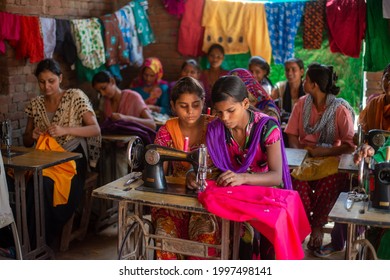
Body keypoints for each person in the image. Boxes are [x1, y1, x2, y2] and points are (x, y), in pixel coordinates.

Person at [190, 75, 309, 260]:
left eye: (230, 111)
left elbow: (276, 176)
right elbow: (209, 166)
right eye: (219, 112)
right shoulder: (216, 129)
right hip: (235, 191)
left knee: (261, 237)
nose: (225, 118)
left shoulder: (266, 128)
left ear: (245, 103)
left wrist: (243, 177)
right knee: (214, 225)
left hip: (264, 191)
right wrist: (193, 174)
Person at [23, 58, 101, 245]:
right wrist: (33, 136)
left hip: (72, 161)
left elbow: (95, 129)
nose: (46, 86)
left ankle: (41, 240)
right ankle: (30, 240)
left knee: (43, 183)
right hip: (45, 160)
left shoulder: (75, 97)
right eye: (42, 82)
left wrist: (66, 130)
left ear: (60, 78)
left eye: (51, 81)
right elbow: (26, 140)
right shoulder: (36, 104)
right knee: (28, 182)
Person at [284, 63, 356, 252]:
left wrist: (322, 153)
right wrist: (301, 154)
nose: (304, 83)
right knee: (295, 181)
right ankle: (302, 227)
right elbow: (291, 133)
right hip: (305, 157)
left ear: (314, 85)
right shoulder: (301, 104)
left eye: (306, 80)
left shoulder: (340, 109)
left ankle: (317, 228)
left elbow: (350, 146)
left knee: (332, 180)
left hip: (330, 159)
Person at [151, 76, 217, 259]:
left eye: (196, 105)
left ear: (203, 102)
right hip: (176, 196)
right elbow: (160, 176)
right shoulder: (166, 131)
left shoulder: (214, 127)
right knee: (165, 235)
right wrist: (168, 202)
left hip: (208, 198)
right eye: (183, 106)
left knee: (205, 234)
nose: (190, 112)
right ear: (172, 105)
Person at [92, 70, 156, 179]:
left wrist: (125, 118)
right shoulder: (104, 102)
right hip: (113, 149)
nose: (102, 94)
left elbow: (152, 124)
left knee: (119, 164)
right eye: (99, 91)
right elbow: (105, 127)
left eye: (104, 88)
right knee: (105, 163)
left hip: (133, 150)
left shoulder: (133, 97)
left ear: (112, 81)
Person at [199, 43, 229, 109]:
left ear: (223, 58)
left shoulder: (227, 75)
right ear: (208, 56)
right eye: (212, 56)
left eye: (218, 57)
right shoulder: (201, 74)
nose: (215, 59)